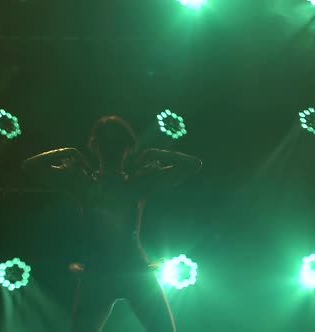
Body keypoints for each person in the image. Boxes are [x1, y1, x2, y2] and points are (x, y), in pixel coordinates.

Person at [23, 115, 202, 332]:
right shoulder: (115, 182)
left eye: (114, 142)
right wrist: (154, 154)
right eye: (108, 141)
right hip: (117, 272)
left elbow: (193, 165)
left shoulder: (109, 182)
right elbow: (29, 168)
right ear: (97, 145)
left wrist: (69, 153)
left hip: (115, 272)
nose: (111, 147)